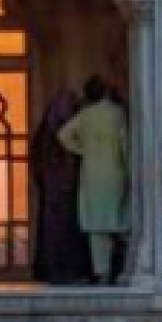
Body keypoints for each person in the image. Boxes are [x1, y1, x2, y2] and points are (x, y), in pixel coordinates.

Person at [57, 76, 129, 285]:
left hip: (92, 174)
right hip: (115, 171)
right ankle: (123, 269)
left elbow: (63, 135)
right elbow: (125, 144)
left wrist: (82, 151)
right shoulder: (117, 113)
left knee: (97, 226)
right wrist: (131, 168)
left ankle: (102, 272)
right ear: (107, 92)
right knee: (118, 221)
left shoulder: (86, 114)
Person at [31, 87, 91, 285]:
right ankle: (60, 271)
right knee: (60, 235)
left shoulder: (46, 133)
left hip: (58, 195)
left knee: (62, 234)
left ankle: (63, 271)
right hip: (60, 195)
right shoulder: (54, 135)